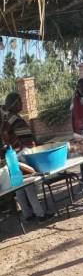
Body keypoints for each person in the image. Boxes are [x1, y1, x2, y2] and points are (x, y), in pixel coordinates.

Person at [0, 93, 51, 223]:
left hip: (17, 153)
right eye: (20, 102)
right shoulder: (11, 118)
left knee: (20, 186)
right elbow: (4, 132)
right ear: (14, 104)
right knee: (30, 184)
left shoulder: (10, 117)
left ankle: (27, 214)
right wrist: (13, 146)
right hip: (21, 153)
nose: (22, 104)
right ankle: (40, 215)